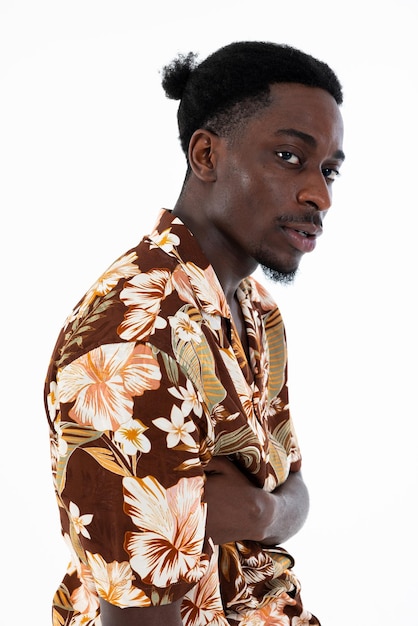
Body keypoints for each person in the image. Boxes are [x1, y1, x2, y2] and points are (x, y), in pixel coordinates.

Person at [44, 40, 345, 626]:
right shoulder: (129, 340)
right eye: (289, 157)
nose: (320, 195)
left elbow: (296, 493)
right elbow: (137, 617)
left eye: (329, 170)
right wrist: (272, 508)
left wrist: (258, 513)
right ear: (206, 155)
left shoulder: (256, 311)